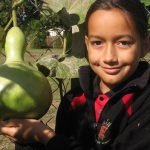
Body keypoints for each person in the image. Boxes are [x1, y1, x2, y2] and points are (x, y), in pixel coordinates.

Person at [0, 0, 150, 149]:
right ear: (87, 44)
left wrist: (45, 136)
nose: (109, 57)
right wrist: (28, 140)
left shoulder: (144, 104)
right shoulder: (73, 100)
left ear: (145, 46)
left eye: (123, 43)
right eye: (97, 42)